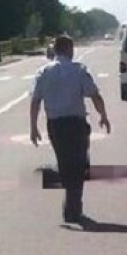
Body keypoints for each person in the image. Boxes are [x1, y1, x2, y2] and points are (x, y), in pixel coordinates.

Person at [29, 34, 111, 223]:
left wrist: (33, 127)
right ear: (68, 49)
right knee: (79, 166)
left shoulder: (43, 72)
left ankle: (71, 205)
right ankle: (72, 207)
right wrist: (103, 116)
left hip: (55, 125)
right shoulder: (79, 70)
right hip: (76, 125)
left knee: (67, 163)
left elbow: (35, 102)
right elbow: (95, 95)